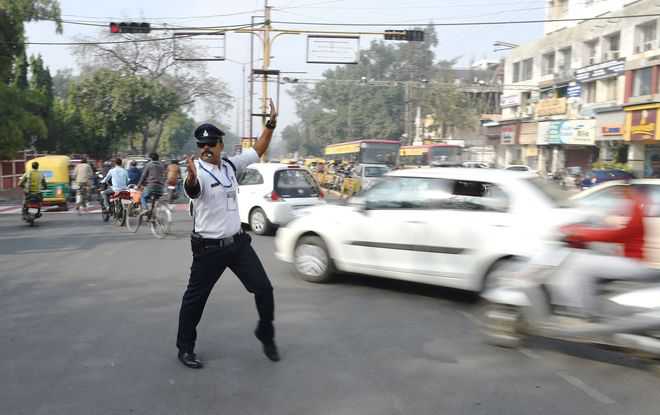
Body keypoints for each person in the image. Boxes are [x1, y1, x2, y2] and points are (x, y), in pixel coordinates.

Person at [176, 99, 279, 369]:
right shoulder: (196, 171)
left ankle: (265, 332)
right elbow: (193, 190)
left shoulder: (231, 166)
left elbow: (258, 150)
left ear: (221, 146)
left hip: (238, 245)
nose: (206, 149)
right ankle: (185, 348)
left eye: (211, 144)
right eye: (201, 145)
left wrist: (270, 124)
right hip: (209, 248)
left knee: (264, 289)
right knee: (195, 300)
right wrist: (189, 179)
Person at [559, 184, 658, 317]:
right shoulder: (639, 207)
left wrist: (579, 232)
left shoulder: (636, 208)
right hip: (637, 261)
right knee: (592, 256)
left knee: (578, 264)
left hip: (637, 264)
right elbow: (616, 231)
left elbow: (617, 234)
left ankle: (585, 314)